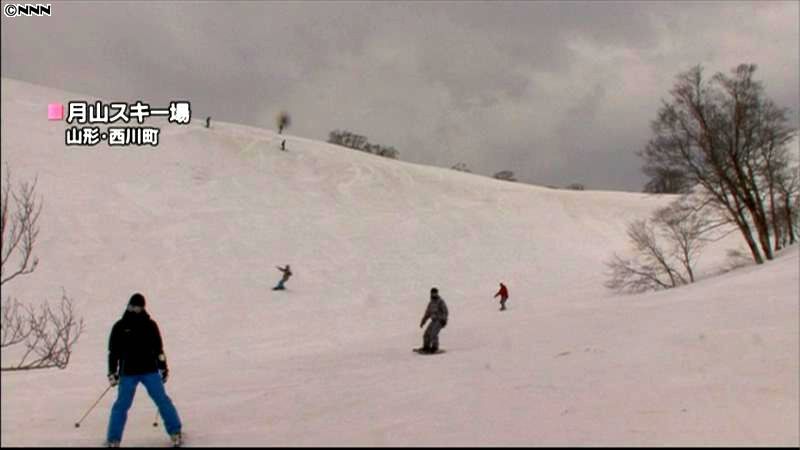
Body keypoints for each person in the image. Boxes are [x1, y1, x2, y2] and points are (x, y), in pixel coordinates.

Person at [106, 293, 182, 448]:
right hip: (127, 373)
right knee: (121, 405)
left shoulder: (150, 325)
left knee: (162, 400)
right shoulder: (120, 326)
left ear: (142, 308)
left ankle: (175, 431)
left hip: (149, 370)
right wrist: (112, 372)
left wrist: (163, 367)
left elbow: (158, 349)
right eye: (131, 306)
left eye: (137, 307)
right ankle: (114, 439)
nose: (133, 310)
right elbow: (113, 352)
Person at [416, 287, 449, 353]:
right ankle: (426, 347)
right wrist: (423, 321)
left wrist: (444, 320)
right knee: (426, 334)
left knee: (433, 334)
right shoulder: (431, 303)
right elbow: (427, 313)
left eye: (435, 293)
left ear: (437, 293)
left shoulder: (440, 302)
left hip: (439, 320)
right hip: (433, 320)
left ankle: (435, 347)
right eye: (432, 293)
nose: (434, 295)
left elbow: (445, 311)